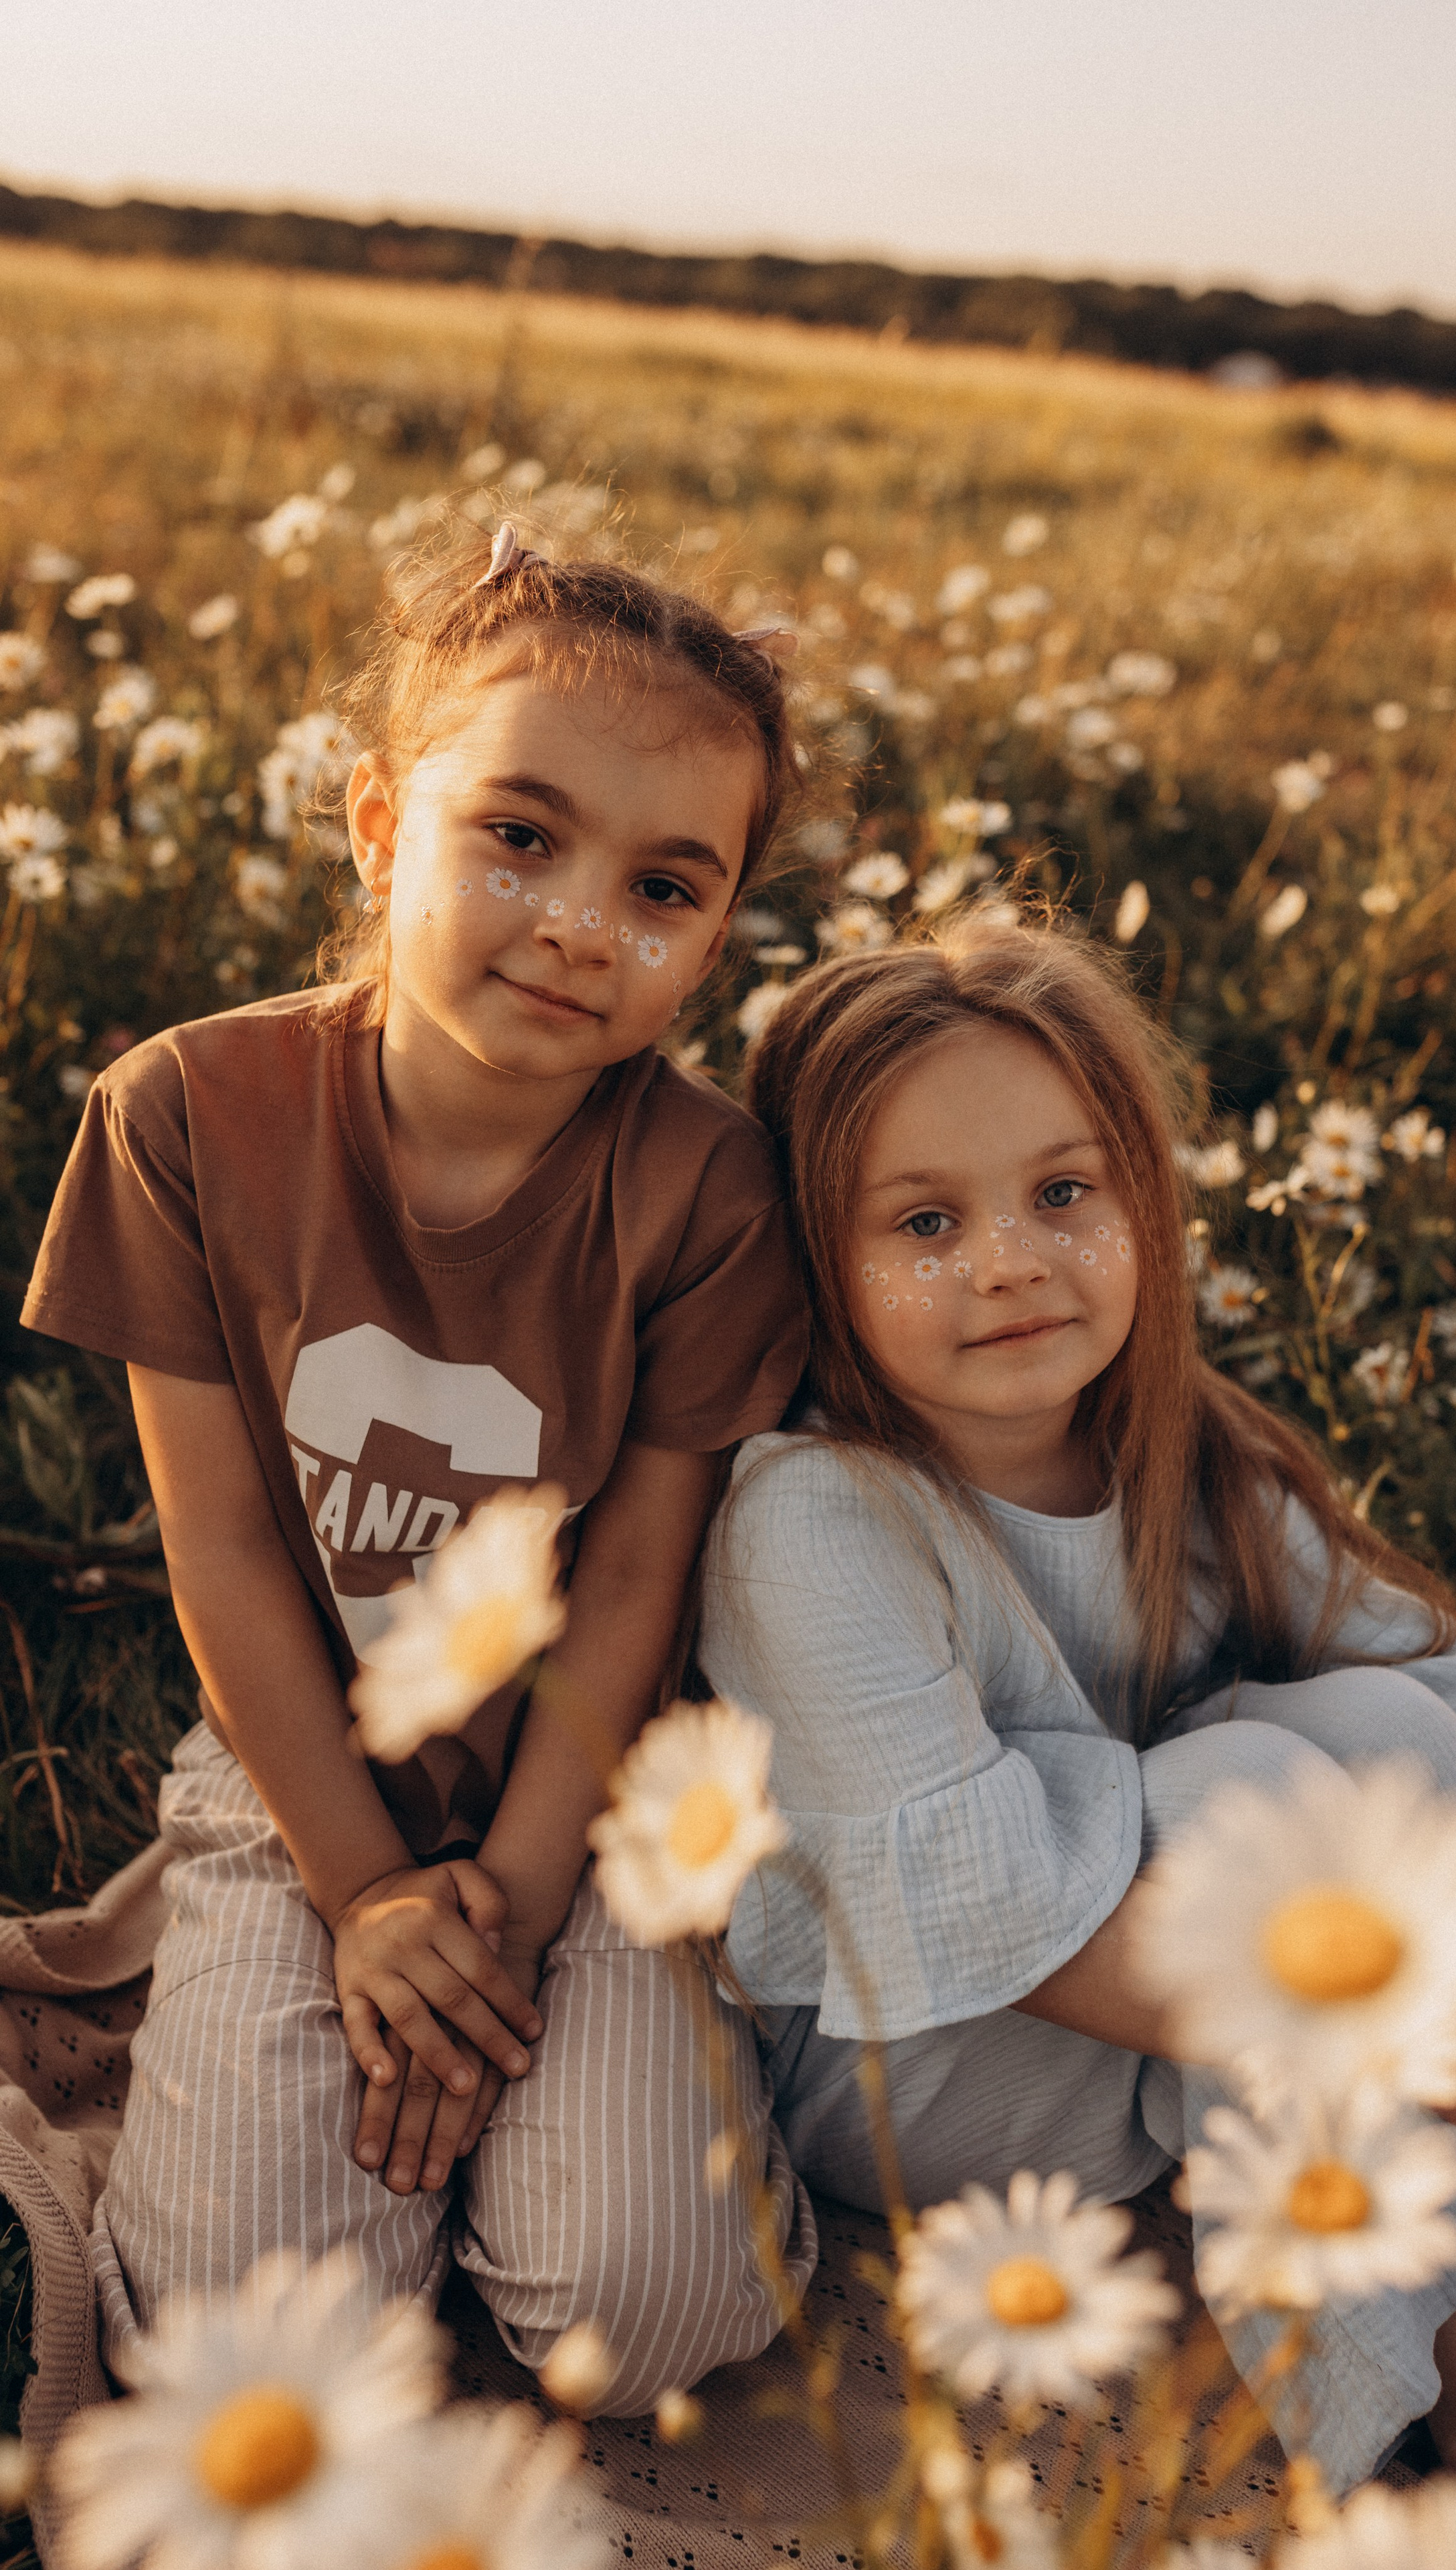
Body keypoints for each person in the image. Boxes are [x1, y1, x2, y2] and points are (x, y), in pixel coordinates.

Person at [697, 917, 1456, 2569]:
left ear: (1144, 1205)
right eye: (925, 1223)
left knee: (1377, 1733)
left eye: (1061, 1194)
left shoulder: (1171, 1441)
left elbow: (1448, 1680)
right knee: (1244, 1790)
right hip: (917, 2065)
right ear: (816, 1258)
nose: (1009, 1260)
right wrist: (1363, 2035)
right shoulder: (811, 1518)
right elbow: (983, 1927)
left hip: (1185, 2015)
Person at [21, 521, 816, 2410]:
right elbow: (219, 1553)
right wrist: (369, 1894)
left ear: (712, 942)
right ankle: (320, 2089)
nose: (575, 922)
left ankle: (564, 2132)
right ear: (380, 824)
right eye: (519, 837)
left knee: (648, 2326)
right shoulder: (188, 1115)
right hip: (310, 1755)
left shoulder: (709, 1188)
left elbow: (634, 1586)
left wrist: (511, 1920)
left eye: (664, 887)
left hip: (592, 1795)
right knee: (242, 2357)